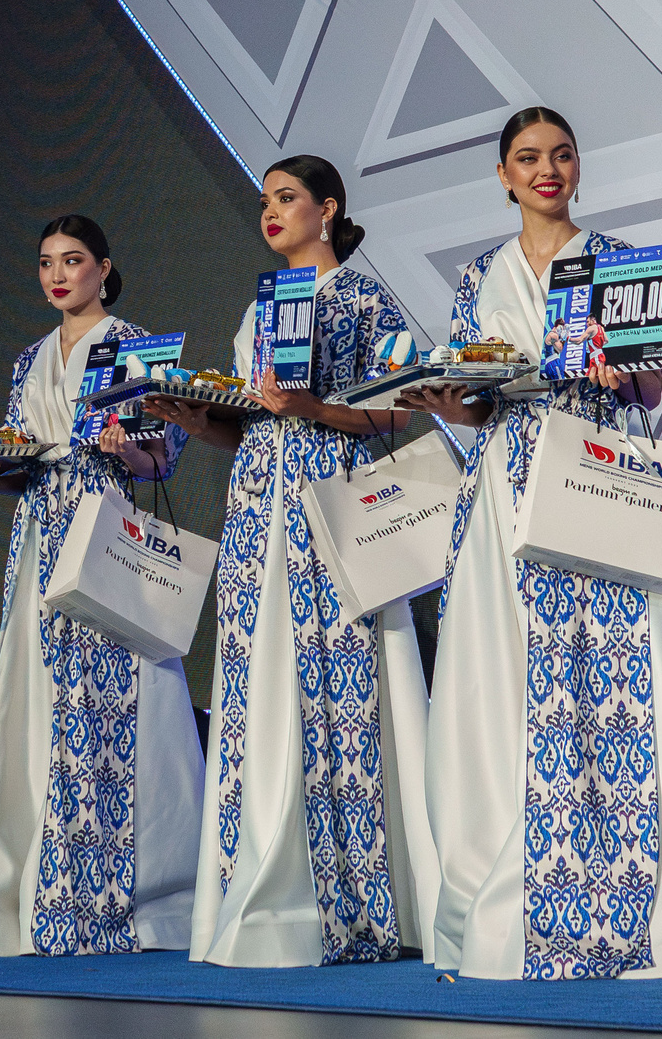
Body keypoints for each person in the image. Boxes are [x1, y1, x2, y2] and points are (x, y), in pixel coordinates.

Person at [400, 107, 662, 980]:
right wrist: (446, 400)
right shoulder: (479, 274)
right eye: (529, 157)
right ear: (503, 174)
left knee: (624, 670)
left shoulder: (615, 258)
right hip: (502, 486)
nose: (547, 169)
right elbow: (476, 399)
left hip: (593, 473)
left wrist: (616, 370)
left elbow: (645, 384)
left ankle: (652, 885)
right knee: (503, 677)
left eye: (561, 154)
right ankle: (513, 881)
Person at [147, 156, 439, 966]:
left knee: (342, 679)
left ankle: (357, 895)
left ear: (328, 207)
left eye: (287, 198)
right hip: (256, 504)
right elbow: (255, 422)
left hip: (330, 499)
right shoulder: (261, 305)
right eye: (265, 201)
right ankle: (264, 877)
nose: (271, 212)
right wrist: (198, 419)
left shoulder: (364, 296)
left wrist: (311, 407)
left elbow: (396, 412)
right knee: (260, 676)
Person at [0, 215, 204, 956]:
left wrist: (131, 450)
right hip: (39, 538)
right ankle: (35, 893)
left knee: (119, 704)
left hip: (106, 535)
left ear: (104, 267)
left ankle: (141, 900)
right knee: (37, 703)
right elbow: (23, 458)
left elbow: (162, 460)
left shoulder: (136, 343)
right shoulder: (29, 358)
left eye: (72, 260)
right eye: (46, 263)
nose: (57, 275)